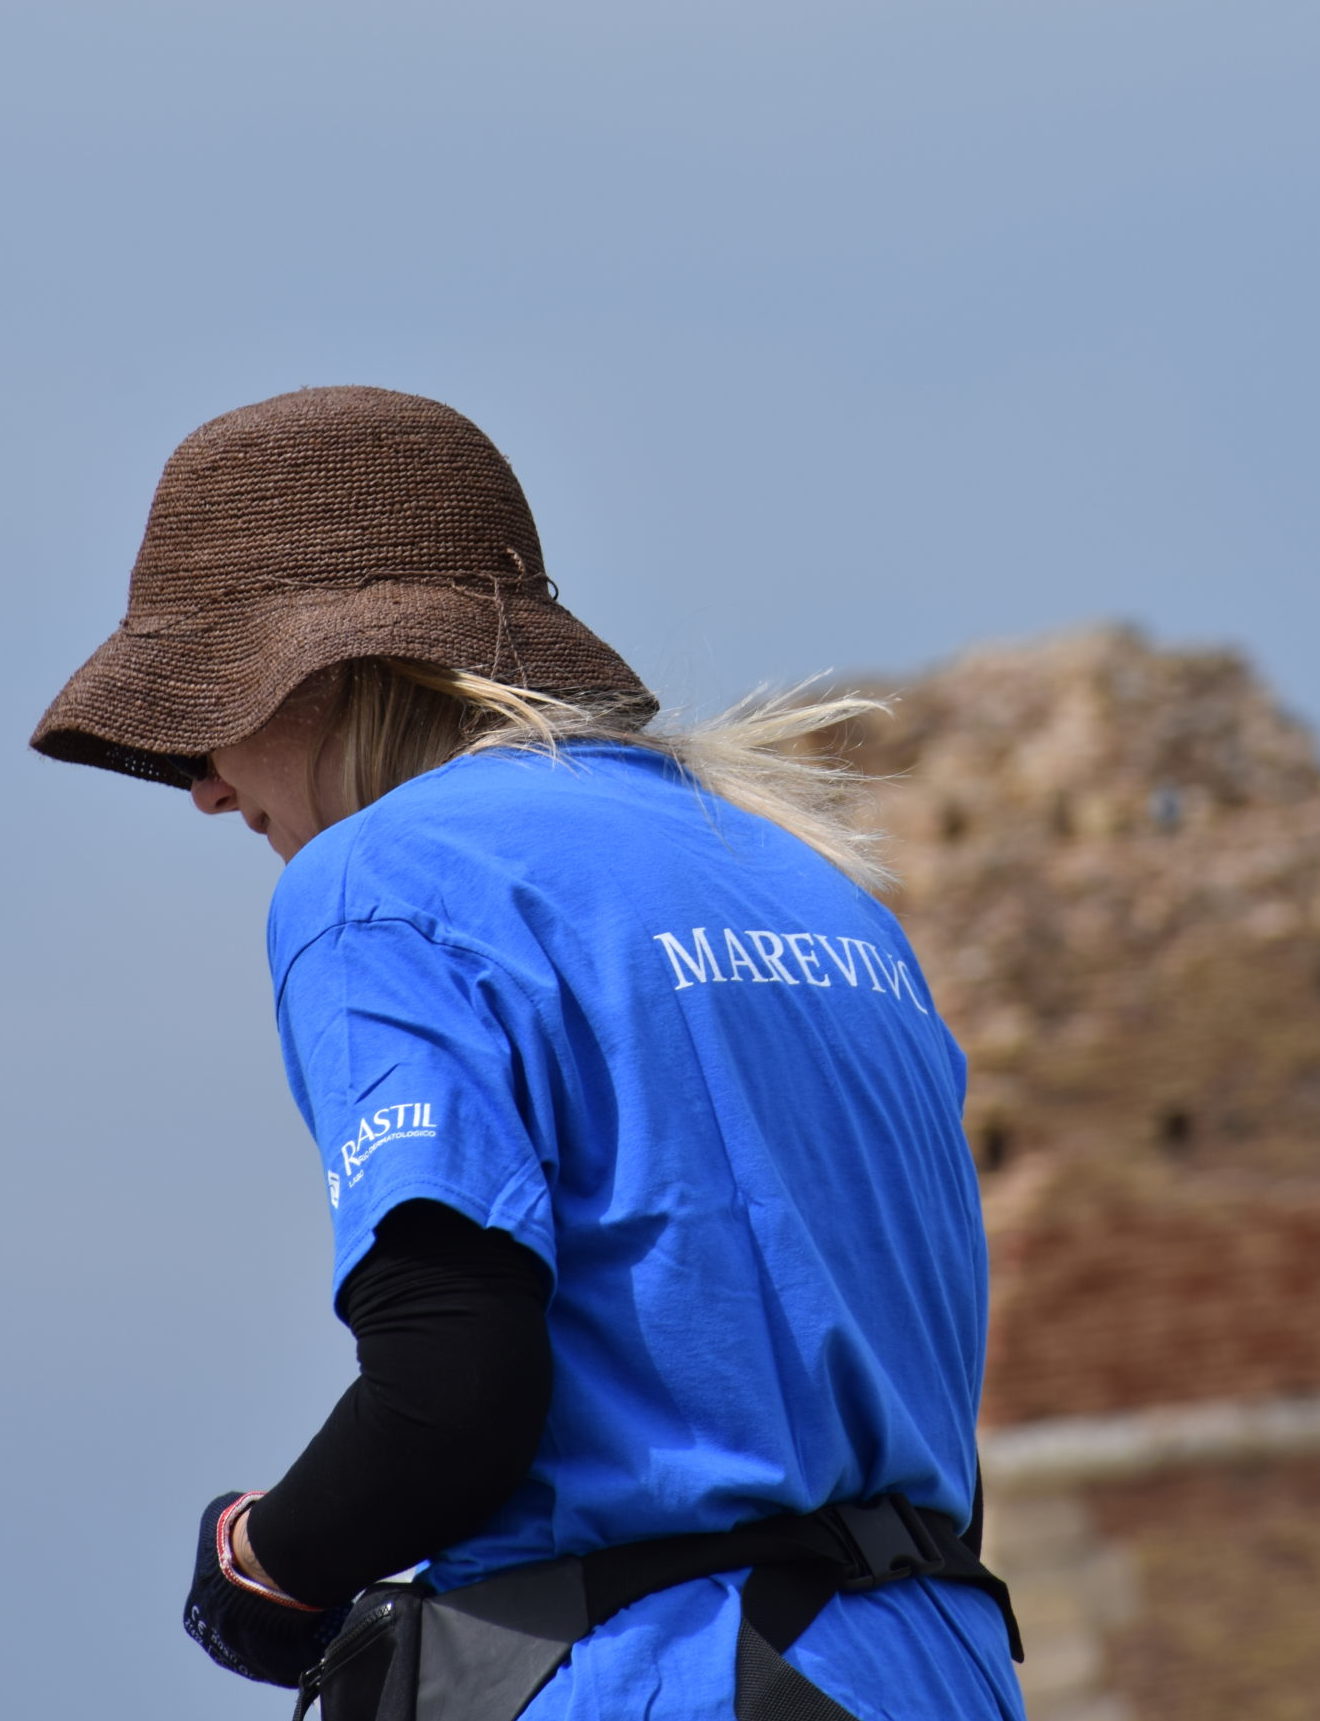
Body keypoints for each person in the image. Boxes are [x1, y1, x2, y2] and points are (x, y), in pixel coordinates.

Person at [30, 385, 1023, 1721]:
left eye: (211, 712)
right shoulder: (809, 884)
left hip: (663, 1674)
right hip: (935, 1663)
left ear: (331, 674)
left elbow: (452, 1392)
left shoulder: (381, 882)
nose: (204, 783)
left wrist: (257, 1561)